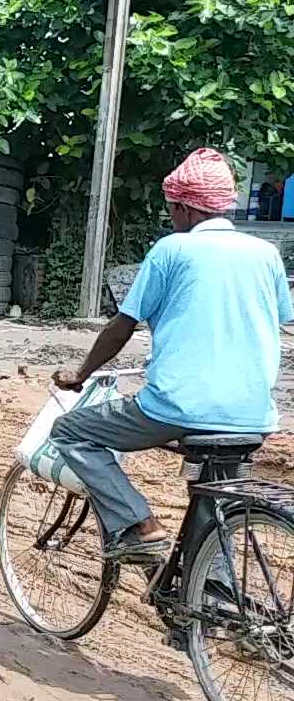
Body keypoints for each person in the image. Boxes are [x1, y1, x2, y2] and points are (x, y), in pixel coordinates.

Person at [52, 148, 294, 562]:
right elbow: (280, 323)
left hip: (176, 406)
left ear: (184, 208)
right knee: (215, 502)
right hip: (252, 414)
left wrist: (81, 372)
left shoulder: (172, 250)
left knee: (70, 431)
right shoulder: (266, 254)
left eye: (172, 210)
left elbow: (122, 326)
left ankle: (138, 525)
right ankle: (207, 604)